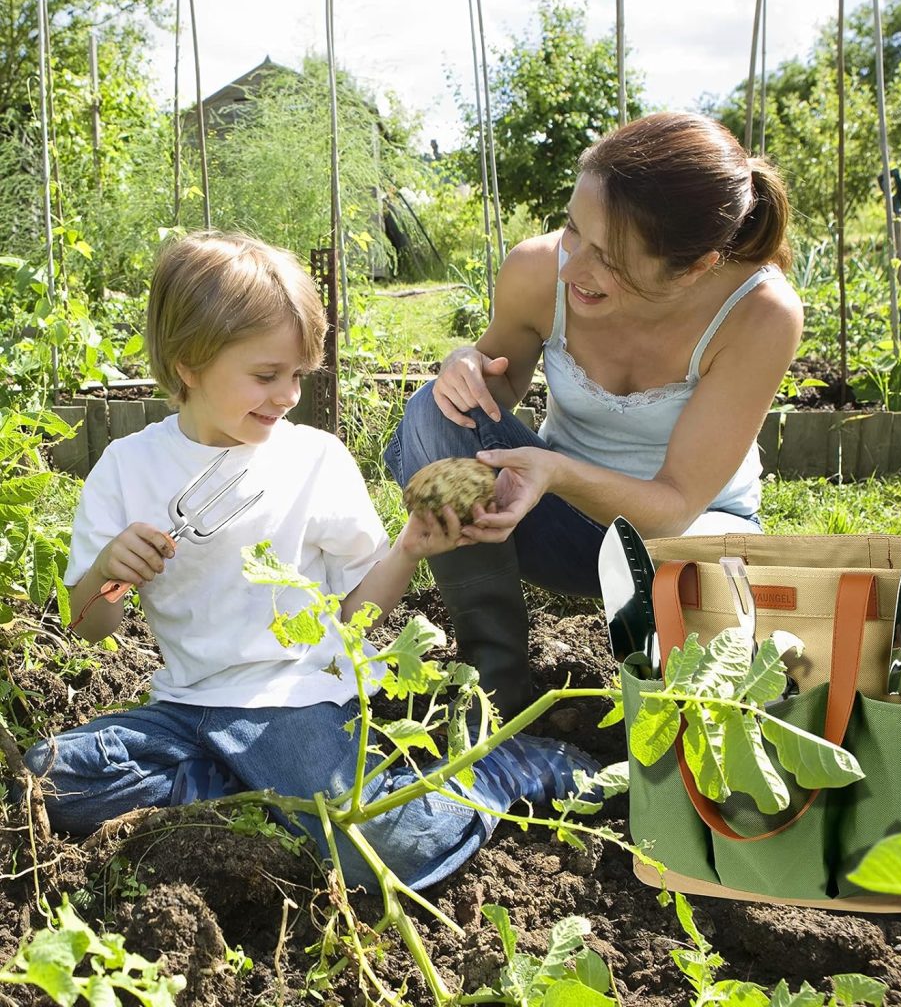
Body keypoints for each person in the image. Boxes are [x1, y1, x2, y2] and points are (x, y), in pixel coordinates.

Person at [22, 231, 598, 892]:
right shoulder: (127, 468)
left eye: (297, 375)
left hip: (293, 701)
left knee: (390, 852)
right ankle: (253, 796)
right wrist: (106, 575)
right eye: (266, 376)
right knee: (44, 780)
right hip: (185, 708)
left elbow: (355, 615)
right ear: (188, 363)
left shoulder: (313, 460)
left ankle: (504, 769)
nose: (288, 395)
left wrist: (407, 548)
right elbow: (88, 625)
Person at [385, 112, 803, 721]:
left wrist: (556, 471)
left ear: (695, 267)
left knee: (703, 571)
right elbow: (494, 385)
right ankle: (495, 684)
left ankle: (662, 712)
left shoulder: (759, 314)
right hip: (549, 521)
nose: (573, 266)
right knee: (433, 411)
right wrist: (466, 364)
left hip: (675, 541)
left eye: (610, 259)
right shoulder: (537, 270)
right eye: (573, 230)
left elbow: (677, 502)